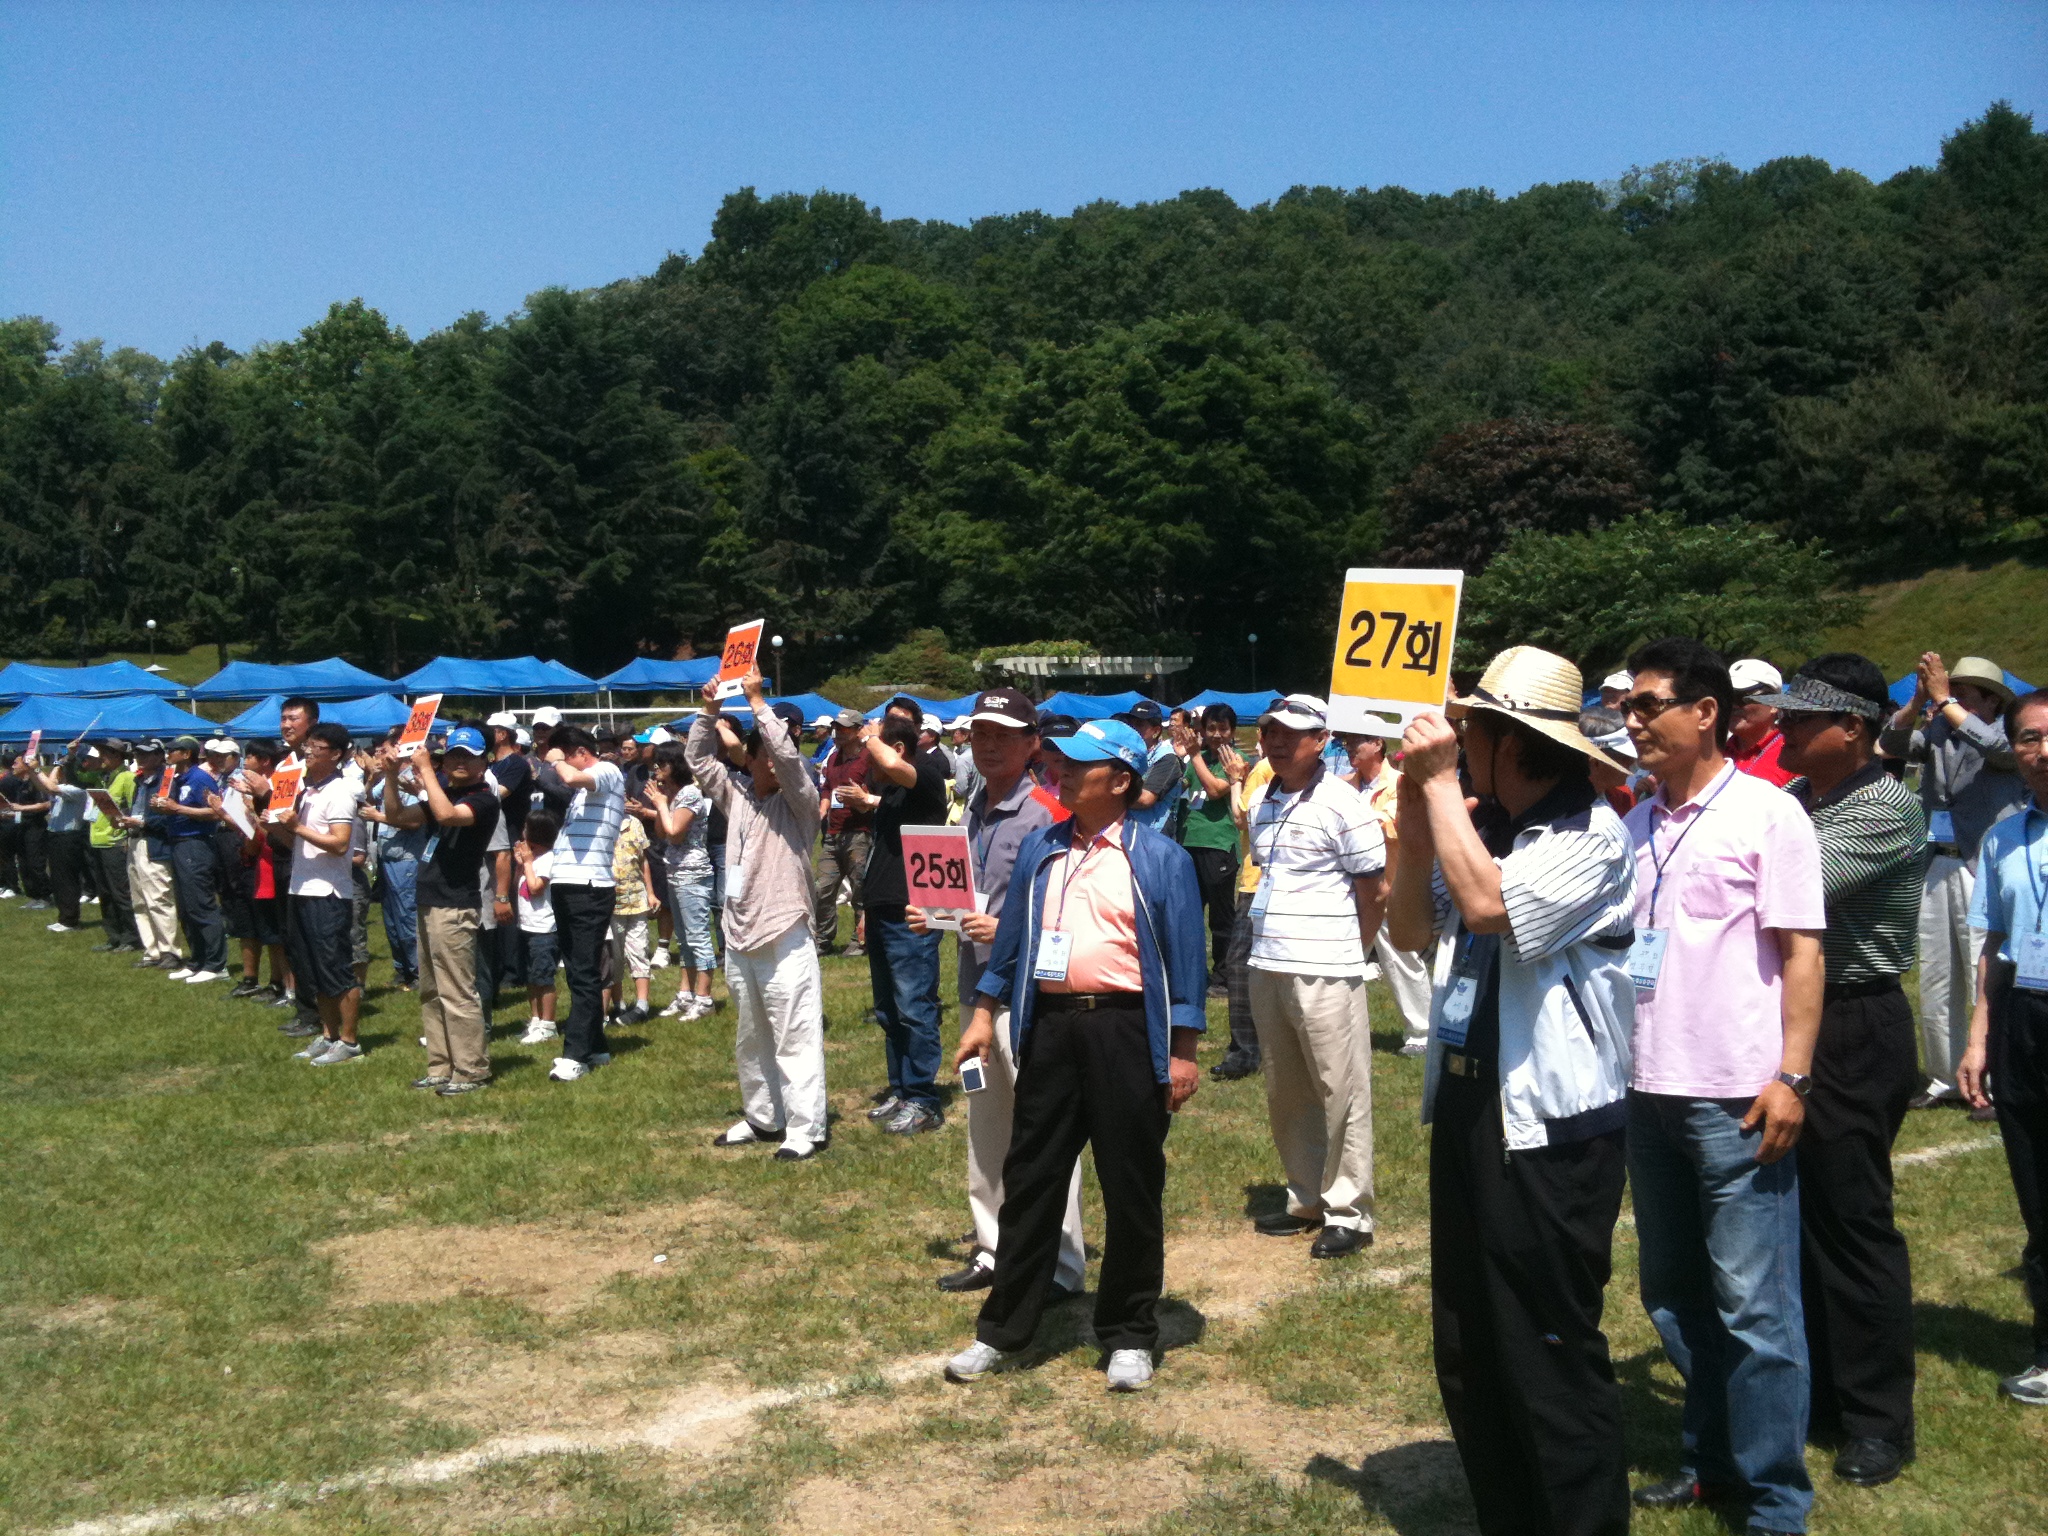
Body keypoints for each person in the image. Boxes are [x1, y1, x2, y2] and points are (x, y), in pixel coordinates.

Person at [1387, 644, 1640, 1536]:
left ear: (1511, 743)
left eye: (1473, 735)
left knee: (1548, 1349)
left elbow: (1492, 910)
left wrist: (1438, 786)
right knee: (1470, 1342)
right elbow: (1409, 929)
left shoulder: (1590, 835)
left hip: (1551, 1129)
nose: (1459, 747)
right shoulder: (1483, 826)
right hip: (1471, 1105)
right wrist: (1418, 814)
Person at [1615, 638, 1825, 1531]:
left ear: (1705, 712)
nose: (1633, 721)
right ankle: (1709, 1461)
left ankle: (1775, 1499)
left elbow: (1803, 952)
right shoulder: (1636, 823)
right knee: (1672, 1295)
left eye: (1648, 704)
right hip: (1648, 1089)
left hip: (1737, 1096)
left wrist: (1791, 1075)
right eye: (1626, 707)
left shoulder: (1769, 814)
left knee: (1754, 1310)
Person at [944, 718, 1206, 1394]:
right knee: (1031, 1178)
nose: (1061, 771)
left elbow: (1186, 962)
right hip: (1051, 1031)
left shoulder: (1160, 858)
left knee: (1131, 1184)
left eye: (1080, 765)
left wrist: (1183, 1052)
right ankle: (1002, 1330)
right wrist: (983, 1015)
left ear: (1119, 780)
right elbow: (1011, 945)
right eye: (1061, 761)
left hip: (1126, 1031)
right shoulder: (1044, 847)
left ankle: (1129, 1334)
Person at [1759, 655, 1928, 1488]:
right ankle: (1822, 1391)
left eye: (1799, 718)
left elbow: (1786, 889)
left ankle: (1876, 1419)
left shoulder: (1885, 807)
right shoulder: (1800, 799)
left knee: (1853, 1221)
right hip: (1797, 1020)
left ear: (1853, 727)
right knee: (1795, 1220)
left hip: (1854, 1023)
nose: (1781, 729)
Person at [908, 687, 1085, 1296]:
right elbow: (962, 897)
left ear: (1033, 744)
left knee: (1046, 1129)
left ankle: (1061, 1263)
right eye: (981, 733)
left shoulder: (1050, 813)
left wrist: (1007, 927)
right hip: (974, 989)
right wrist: (934, 914)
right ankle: (993, 1247)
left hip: (1030, 996)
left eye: (1004, 735)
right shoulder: (970, 810)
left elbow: (1069, 908)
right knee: (985, 1126)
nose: (988, 745)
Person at [1242, 694, 1385, 1260]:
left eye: (1291, 733)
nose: (1276, 741)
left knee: (1341, 1089)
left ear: (1321, 740)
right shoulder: (1261, 799)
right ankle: (1305, 1197)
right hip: (1268, 961)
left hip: (1326, 965)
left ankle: (1349, 1211)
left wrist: (1355, 950)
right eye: (1269, 731)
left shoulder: (1344, 803)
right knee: (1288, 1090)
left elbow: (1374, 890)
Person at [687, 670, 829, 1160]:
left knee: (795, 1031)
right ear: (747, 758)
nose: (771, 758)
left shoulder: (802, 800)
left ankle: (805, 1128)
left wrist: (756, 702)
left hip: (785, 927)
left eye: (775, 751)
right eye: (761, 752)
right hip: (739, 929)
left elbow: (789, 761)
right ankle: (763, 1116)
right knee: (751, 1035)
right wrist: (709, 711)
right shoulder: (738, 795)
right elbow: (698, 760)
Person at [1878, 653, 2026, 1108]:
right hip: (1938, 862)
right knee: (1937, 975)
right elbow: (1890, 744)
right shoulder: (1939, 729)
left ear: (1992, 701)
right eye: (1950, 691)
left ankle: (1993, 1076)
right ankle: (1943, 1075)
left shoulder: (2007, 735)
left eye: (1964, 694)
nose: (1951, 700)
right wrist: (1917, 702)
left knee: (1985, 973)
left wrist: (1944, 702)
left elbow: (1998, 751)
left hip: (1983, 864)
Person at [1957, 688, 2048, 1407]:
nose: (2041, 751)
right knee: (2039, 1197)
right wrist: (1979, 1036)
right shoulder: (2005, 838)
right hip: (2025, 1020)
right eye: (2027, 738)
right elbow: (1994, 945)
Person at [848, 712, 952, 1135]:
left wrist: (871, 737)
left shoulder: (925, 774)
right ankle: (901, 1089)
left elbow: (891, 764)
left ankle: (924, 1100)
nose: (868, 763)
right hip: (883, 909)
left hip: (915, 914)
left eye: (872, 752)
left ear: (898, 748)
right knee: (889, 1009)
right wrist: (865, 912)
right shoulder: (891, 792)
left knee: (914, 1008)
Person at [383, 725, 501, 1094]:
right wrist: (391, 776)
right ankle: (441, 1064)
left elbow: (448, 815)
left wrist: (425, 770)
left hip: (455, 904)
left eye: (468, 756)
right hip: (429, 898)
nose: (459, 762)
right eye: (453, 755)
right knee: (431, 990)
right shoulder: (444, 792)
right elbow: (396, 816)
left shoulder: (484, 799)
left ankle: (471, 1070)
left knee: (457, 991)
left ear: (484, 762)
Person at [536, 724, 627, 1081]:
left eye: (563, 754)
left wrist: (556, 761)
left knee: (585, 972)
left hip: (588, 887)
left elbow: (573, 778)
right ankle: (597, 1047)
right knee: (577, 970)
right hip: (570, 884)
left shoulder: (607, 770)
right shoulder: (584, 789)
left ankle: (575, 1055)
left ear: (579, 753)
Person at [1338, 724, 1435, 1056]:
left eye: (1356, 741)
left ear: (1378, 743)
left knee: (1401, 959)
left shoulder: (1401, 784)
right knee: (1340, 962)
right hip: (1348, 890)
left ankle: (1422, 1031)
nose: (1349, 747)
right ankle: (1337, 1029)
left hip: (1390, 888)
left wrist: (1356, 820)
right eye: (1347, 742)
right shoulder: (1343, 786)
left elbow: (1398, 828)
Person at [277, 722, 364, 1064]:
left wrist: (297, 827)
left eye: (317, 747)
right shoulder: (308, 791)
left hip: (327, 893)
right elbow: (296, 842)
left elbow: (340, 844)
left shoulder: (340, 792)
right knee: (312, 969)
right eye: (308, 745)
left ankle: (350, 1041)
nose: (308, 751)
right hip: (302, 887)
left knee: (335, 967)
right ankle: (329, 1034)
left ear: (336, 754)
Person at [1212, 744, 1277, 1081]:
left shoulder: (1264, 769)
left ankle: (1246, 1052)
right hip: (1264, 882)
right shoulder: (1272, 769)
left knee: (1240, 964)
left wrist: (1236, 780)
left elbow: (1242, 818)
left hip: (1259, 883)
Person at [644, 744, 717, 1019]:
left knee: (698, 937)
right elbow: (662, 832)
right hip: (675, 872)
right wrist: (661, 803)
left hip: (692, 874)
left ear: (676, 766)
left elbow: (675, 832)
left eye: (662, 764)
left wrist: (662, 805)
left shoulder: (690, 794)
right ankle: (686, 994)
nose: (657, 770)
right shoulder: (673, 795)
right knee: (684, 940)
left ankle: (705, 998)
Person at [1180, 704, 1245, 996]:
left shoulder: (1236, 760)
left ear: (1233, 731)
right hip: (1189, 842)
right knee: (1189, 914)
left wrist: (1194, 755)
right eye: (1211, 728)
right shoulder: (1198, 757)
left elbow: (1217, 789)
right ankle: (1194, 974)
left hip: (1218, 843)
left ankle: (1223, 977)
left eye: (1223, 728)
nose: (1217, 734)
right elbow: (1185, 788)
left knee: (1221, 916)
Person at [156, 735, 230, 984]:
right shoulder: (175, 778)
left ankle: (216, 964)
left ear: (187, 754)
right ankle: (197, 960)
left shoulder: (200, 779)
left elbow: (216, 812)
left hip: (196, 843)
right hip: (177, 842)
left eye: (172, 750)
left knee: (200, 903)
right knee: (186, 906)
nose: (168, 754)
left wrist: (178, 809)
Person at [224, 738, 288, 1000]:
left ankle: (279, 983)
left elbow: (265, 829)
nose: (245, 761)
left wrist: (251, 810)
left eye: (250, 756)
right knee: (252, 923)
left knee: (274, 929)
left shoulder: (274, 788)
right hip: (252, 859)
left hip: (270, 862)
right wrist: (226, 814)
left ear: (264, 761)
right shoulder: (244, 787)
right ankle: (255, 979)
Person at [814, 708, 873, 958]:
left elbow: (875, 792)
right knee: (823, 889)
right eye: (837, 727)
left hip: (859, 832)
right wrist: (822, 810)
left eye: (845, 728)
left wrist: (863, 799)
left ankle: (861, 940)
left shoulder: (868, 757)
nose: (838, 732)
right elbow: (827, 788)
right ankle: (822, 939)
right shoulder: (833, 757)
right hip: (833, 833)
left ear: (859, 730)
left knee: (860, 890)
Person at [120, 739, 181, 969]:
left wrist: (142, 822)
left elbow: (168, 817)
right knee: (139, 900)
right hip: (135, 840)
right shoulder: (139, 780)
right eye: (138, 754)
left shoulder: (166, 780)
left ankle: (170, 951)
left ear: (159, 756)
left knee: (158, 898)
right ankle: (152, 950)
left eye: (147, 754)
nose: (141, 758)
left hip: (154, 844)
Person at [83, 741, 140, 953]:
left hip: (116, 842)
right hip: (98, 840)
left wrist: (127, 836)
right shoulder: (103, 777)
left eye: (105, 754)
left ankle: (131, 937)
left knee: (121, 892)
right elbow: (79, 775)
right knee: (105, 893)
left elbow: (134, 807)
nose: (101, 758)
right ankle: (113, 935)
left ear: (117, 756)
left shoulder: (127, 778)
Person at [606, 809, 659, 1026]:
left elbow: (643, 861)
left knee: (639, 951)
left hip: (636, 901)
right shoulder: (602, 823)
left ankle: (642, 1005)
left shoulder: (635, 824)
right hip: (612, 904)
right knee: (615, 957)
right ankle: (618, 1004)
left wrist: (650, 893)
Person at [514, 809, 562, 1044]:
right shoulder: (533, 860)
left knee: (544, 978)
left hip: (544, 929)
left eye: (526, 828)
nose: (523, 832)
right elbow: (519, 884)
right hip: (527, 926)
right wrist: (521, 865)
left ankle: (548, 1024)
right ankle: (535, 1019)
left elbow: (535, 888)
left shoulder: (548, 859)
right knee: (531, 977)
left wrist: (528, 863)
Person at [37, 748, 92, 933]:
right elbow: (49, 784)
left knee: (67, 879)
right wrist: (58, 763)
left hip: (69, 837)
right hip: (57, 836)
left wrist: (36, 769)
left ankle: (70, 919)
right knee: (58, 878)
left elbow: (51, 787)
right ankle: (64, 917)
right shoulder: (66, 789)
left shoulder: (77, 790)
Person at [1118, 700, 1185, 837]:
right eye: (1131, 724)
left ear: (1156, 731)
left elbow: (1145, 799)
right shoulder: (1129, 755)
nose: (1133, 729)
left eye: (1139, 724)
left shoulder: (1167, 758)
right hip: (1128, 832)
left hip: (1154, 836)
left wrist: (1106, 795)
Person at [1727, 660, 1798, 787]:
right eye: (1727, 696)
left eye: (1741, 697)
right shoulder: (1713, 751)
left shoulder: (1794, 754)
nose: (1733, 705)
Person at [1, 751, 54, 908]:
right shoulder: (21, 783)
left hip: (35, 827)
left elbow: (46, 804)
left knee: (35, 862)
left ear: (26, 766)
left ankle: (45, 896)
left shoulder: (35, 783)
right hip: (21, 825)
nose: (13, 766)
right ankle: (34, 895)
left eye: (16, 763)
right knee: (24, 863)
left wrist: (22, 808)